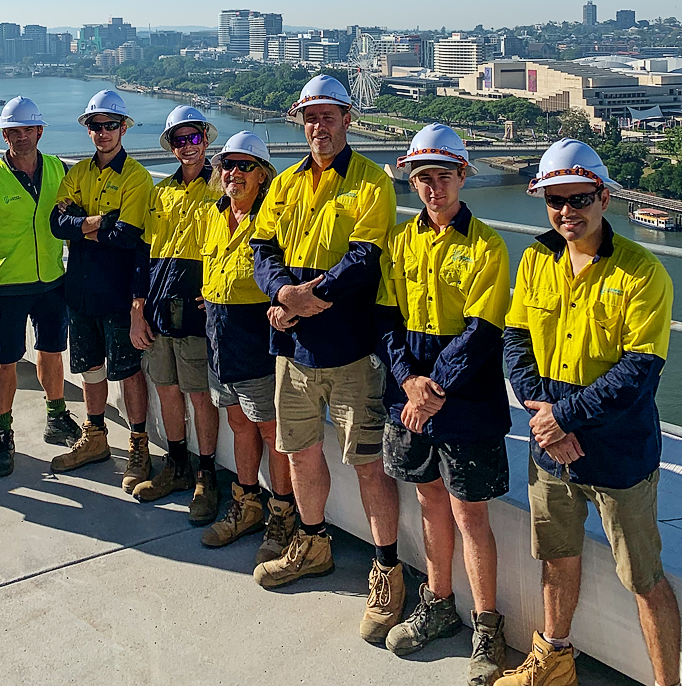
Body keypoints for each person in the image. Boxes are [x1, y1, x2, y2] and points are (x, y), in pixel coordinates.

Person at [499, 139, 681, 686]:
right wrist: (546, 421)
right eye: (555, 200)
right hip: (550, 446)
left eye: (579, 198)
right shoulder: (536, 259)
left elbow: (638, 372)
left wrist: (563, 419)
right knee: (556, 557)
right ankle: (554, 659)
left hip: (619, 451)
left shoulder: (642, 273)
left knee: (644, 578)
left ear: (604, 198)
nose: (566, 211)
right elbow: (516, 339)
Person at [249, 75, 403, 644]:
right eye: (310, 117)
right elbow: (262, 248)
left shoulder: (371, 182)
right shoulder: (285, 182)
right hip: (293, 350)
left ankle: (387, 569)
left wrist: (304, 299)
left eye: (328, 116)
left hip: (350, 350)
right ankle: (312, 543)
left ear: (347, 119)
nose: (319, 126)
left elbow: (364, 259)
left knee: (367, 463)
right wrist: (282, 293)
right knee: (301, 452)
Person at [377, 124, 511, 684]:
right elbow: (386, 318)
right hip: (411, 389)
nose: (433, 187)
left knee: (470, 511)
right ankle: (438, 602)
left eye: (443, 176)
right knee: (429, 497)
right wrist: (409, 380)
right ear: (412, 181)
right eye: (423, 177)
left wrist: (430, 390)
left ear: (463, 177)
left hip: (466, 393)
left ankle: (487, 625)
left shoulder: (487, 246)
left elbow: (482, 333)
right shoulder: (399, 241)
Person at [0, 96, 79, 477]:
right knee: (4, 360)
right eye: (14, 131)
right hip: (6, 286)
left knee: (52, 351)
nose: (21, 136)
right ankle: (3, 432)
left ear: (40, 131)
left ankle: (56, 416)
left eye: (28, 129)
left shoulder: (58, 169)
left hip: (51, 281)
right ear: (5, 136)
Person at [198, 132, 296, 563]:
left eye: (244, 166)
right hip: (219, 335)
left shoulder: (273, 218)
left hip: (257, 337)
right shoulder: (214, 214)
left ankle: (282, 514)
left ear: (263, 175)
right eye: (226, 165)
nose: (233, 173)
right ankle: (247, 504)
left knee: (271, 431)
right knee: (238, 422)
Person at [48, 90, 153, 477]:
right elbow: (57, 224)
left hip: (118, 292)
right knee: (89, 368)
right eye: (96, 125)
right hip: (80, 291)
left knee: (128, 371)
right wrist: (100, 221)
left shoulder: (137, 177)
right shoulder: (77, 173)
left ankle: (138, 444)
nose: (103, 132)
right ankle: (95, 436)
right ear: (89, 129)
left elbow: (127, 236)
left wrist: (81, 223)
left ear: (124, 128)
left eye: (111, 125)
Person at [130, 106, 221, 525]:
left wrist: (215, 290)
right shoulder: (160, 192)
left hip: (197, 310)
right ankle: (177, 464)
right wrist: (138, 307)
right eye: (179, 140)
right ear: (171, 147)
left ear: (206, 139)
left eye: (194, 138)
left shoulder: (221, 187)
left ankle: (206, 475)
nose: (188, 147)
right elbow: (143, 254)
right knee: (166, 388)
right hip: (159, 305)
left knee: (199, 394)